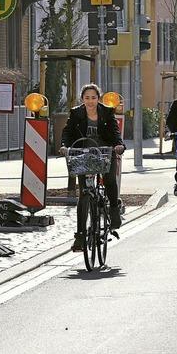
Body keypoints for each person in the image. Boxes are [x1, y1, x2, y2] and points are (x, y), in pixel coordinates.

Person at [60, 83, 125, 252]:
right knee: (83, 194)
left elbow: (114, 132)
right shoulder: (76, 113)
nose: (90, 101)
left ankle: (114, 208)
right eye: (87, 98)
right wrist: (64, 146)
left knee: (109, 179)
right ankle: (80, 236)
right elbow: (67, 132)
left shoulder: (107, 112)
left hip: (104, 152)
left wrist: (118, 145)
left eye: (94, 97)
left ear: (98, 98)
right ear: (82, 99)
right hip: (83, 154)